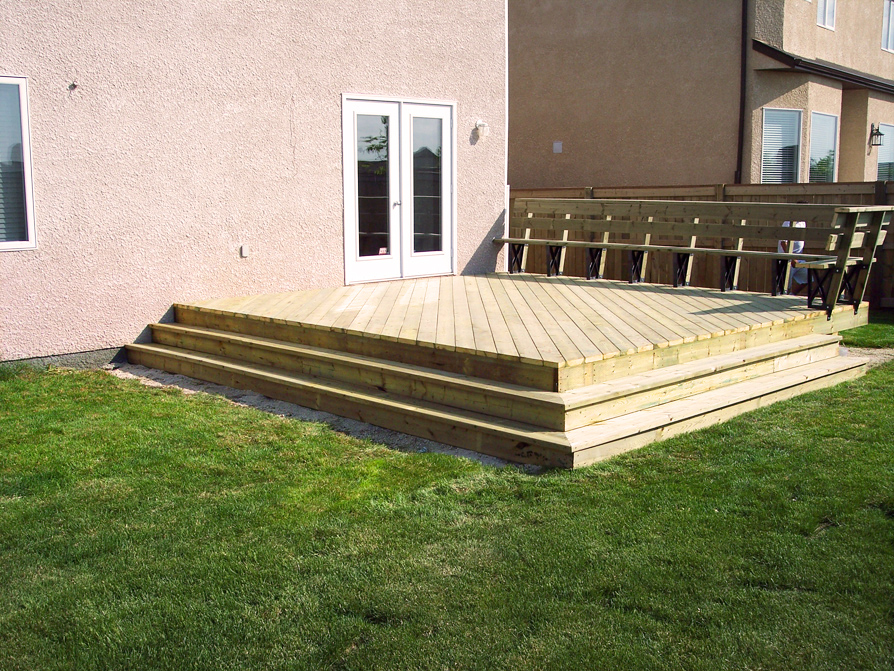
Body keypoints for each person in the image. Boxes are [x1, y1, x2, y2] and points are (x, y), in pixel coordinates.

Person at [778, 219, 808, 295]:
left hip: (799, 258)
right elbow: (783, 243)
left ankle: (792, 294)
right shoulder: (787, 223)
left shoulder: (803, 223)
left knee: (808, 279)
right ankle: (782, 297)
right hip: (786, 259)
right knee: (785, 285)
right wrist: (791, 258)